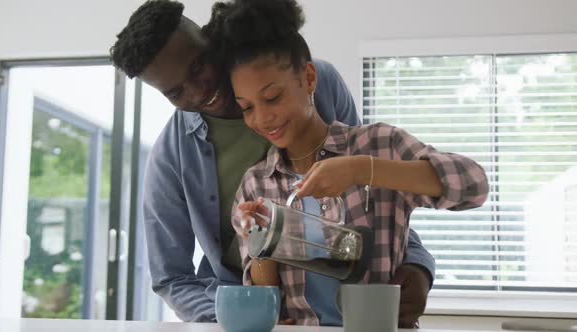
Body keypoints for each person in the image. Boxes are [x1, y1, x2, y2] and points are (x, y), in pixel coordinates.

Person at [110, 0, 437, 326]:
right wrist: (238, 316)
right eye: (175, 92)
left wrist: (417, 263)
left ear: (211, 40)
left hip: (346, 295)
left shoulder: (316, 82)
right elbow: (171, 277)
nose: (199, 91)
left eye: (199, 66)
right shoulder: (171, 156)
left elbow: (373, 193)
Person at [201, 0, 489, 326]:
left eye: (272, 98)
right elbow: (269, 303)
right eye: (247, 107)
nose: (263, 118)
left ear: (308, 78)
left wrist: (360, 169)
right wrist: (260, 240)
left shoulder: (379, 144)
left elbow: (474, 185)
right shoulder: (257, 183)